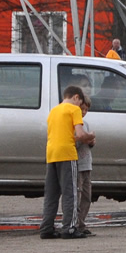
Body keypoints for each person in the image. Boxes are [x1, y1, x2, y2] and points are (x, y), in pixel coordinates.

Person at [39, 85, 94, 239]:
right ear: (76, 97)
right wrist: (90, 136)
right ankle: (69, 228)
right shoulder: (73, 109)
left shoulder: (53, 111)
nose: (80, 107)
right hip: (67, 154)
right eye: (80, 102)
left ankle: (46, 228)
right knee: (70, 193)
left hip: (51, 153)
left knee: (51, 193)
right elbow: (80, 134)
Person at [74, 98, 96, 237]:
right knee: (77, 195)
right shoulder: (74, 125)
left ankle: (81, 223)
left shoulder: (85, 124)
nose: (84, 112)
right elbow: (73, 142)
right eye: (82, 109)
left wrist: (91, 141)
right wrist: (83, 138)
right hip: (76, 164)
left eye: (86, 110)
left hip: (86, 164)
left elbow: (89, 145)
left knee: (87, 196)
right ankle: (74, 224)